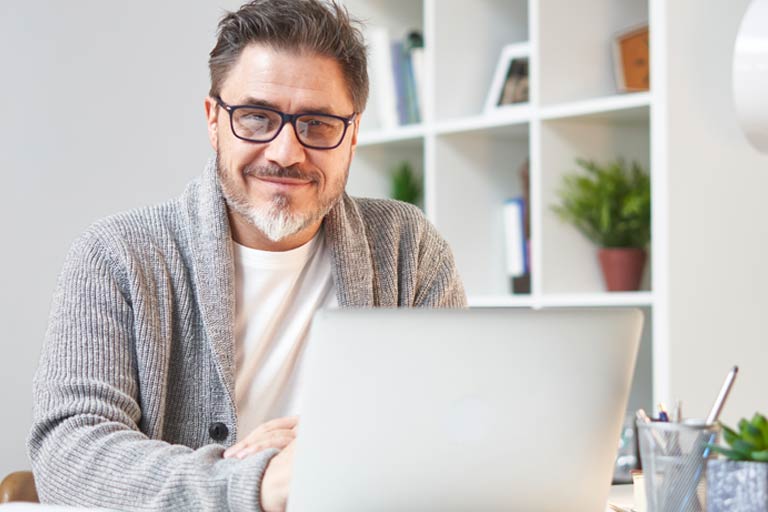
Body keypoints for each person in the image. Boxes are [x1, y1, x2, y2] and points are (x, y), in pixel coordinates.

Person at [27, 1, 466, 511]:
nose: (285, 152)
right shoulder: (117, 257)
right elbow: (69, 454)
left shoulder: (408, 249)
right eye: (257, 118)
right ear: (214, 119)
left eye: (319, 124)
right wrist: (257, 483)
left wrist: (328, 444)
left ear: (353, 133)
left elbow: (447, 427)